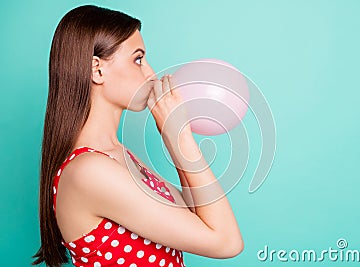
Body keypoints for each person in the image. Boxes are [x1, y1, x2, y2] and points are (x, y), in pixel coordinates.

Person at [33, 5, 243, 267]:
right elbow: (227, 242)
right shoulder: (89, 171)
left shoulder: (119, 156)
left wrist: (175, 136)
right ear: (96, 70)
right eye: (138, 59)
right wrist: (181, 140)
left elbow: (199, 216)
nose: (150, 74)